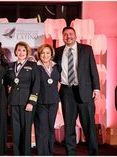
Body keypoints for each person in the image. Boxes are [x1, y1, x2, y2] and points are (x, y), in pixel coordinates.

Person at [54, 26, 100, 155]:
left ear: (75, 35)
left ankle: (93, 153)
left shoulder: (86, 49)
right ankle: (71, 153)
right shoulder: (58, 51)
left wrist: (96, 88)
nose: (68, 36)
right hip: (66, 92)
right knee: (69, 126)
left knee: (89, 126)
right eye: (65, 34)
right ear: (62, 37)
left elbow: (93, 70)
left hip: (85, 91)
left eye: (70, 34)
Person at [8, 41, 40, 155]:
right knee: (15, 131)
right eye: (19, 50)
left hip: (27, 103)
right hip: (14, 102)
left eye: (23, 50)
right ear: (15, 52)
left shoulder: (33, 65)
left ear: (27, 52)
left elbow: (36, 85)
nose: (21, 52)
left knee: (26, 131)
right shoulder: (10, 66)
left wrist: (31, 102)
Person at [34, 44, 60, 155]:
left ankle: (49, 152)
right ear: (39, 54)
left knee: (50, 128)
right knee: (41, 129)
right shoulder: (36, 67)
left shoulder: (56, 66)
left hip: (54, 101)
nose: (45, 55)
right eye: (43, 53)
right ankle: (42, 153)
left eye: (48, 53)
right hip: (41, 102)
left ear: (51, 54)